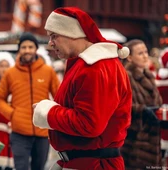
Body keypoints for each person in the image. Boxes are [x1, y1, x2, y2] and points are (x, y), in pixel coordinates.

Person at [32, 7, 132, 170]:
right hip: (85, 162)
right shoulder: (87, 65)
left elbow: (89, 123)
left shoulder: (95, 67)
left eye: (54, 36)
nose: (50, 43)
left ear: (72, 33)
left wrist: (48, 112)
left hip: (94, 164)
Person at [0, 32, 60, 170]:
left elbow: (59, 96)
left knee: (39, 167)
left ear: (36, 49)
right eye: (24, 47)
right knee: (21, 167)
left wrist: (52, 115)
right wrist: (12, 114)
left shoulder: (48, 71)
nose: (27, 50)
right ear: (19, 49)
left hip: (42, 131)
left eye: (30, 47)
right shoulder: (10, 73)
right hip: (19, 132)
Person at [121, 39, 162, 169]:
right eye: (140, 53)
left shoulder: (148, 76)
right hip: (134, 145)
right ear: (130, 58)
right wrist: (143, 110)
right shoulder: (126, 76)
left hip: (152, 141)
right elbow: (121, 107)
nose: (145, 56)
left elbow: (157, 102)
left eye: (146, 51)